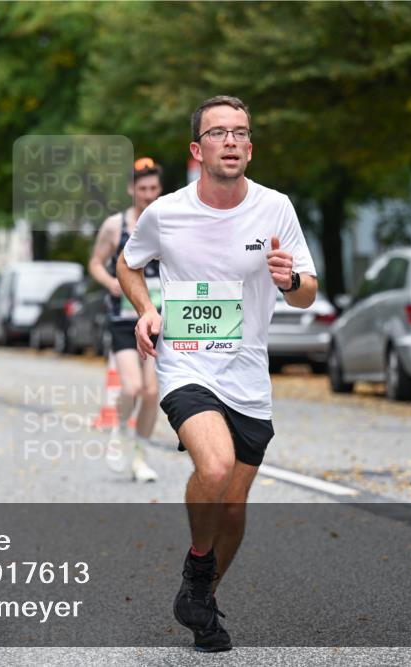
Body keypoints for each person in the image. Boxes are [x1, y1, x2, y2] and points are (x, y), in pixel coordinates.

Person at [118, 96, 317, 652]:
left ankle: (199, 598)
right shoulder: (166, 213)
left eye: (240, 133)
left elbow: (307, 293)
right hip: (187, 363)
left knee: (233, 505)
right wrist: (148, 309)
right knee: (217, 465)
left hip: (249, 373)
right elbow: (127, 265)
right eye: (218, 132)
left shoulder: (276, 208)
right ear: (197, 148)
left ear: (250, 147)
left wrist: (288, 280)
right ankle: (198, 568)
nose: (230, 140)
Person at [88, 157, 165, 483]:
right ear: (132, 189)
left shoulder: (170, 221)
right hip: (123, 317)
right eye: (143, 188)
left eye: (154, 188)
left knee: (152, 393)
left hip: (161, 319)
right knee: (132, 387)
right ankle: (121, 429)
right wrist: (111, 283)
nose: (148, 195)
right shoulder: (114, 225)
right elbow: (95, 263)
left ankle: (140, 456)